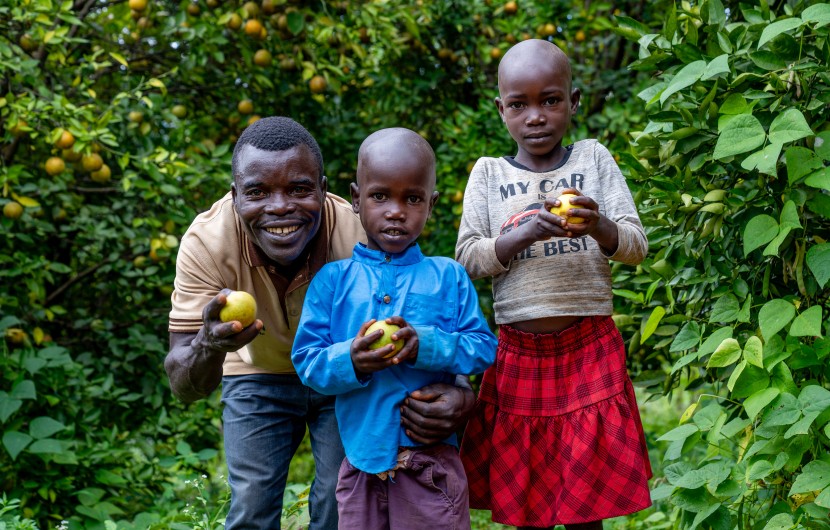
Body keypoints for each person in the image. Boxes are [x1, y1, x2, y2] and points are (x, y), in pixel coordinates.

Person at [164, 116, 476, 530]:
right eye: (257, 192)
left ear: (324, 189)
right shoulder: (207, 242)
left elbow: (427, 320)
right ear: (235, 195)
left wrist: (461, 393)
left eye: (299, 189)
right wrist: (210, 343)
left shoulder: (362, 231)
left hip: (347, 374)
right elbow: (182, 383)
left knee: (337, 500)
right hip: (257, 372)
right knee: (252, 505)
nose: (280, 207)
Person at [455, 39, 653, 530]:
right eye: (519, 105)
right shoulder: (488, 173)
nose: (536, 116)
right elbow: (467, 258)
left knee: (587, 495)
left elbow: (636, 243)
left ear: (574, 101)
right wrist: (518, 236)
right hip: (519, 349)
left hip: (590, 345)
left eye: (551, 100)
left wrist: (599, 226)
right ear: (501, 110)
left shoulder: (593, 158)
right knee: (528, 495)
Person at [290, 127, 498, 530]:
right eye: (380, 196)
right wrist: (352, 359)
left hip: (432, 466)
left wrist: (426, 344)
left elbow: (482, 347)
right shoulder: (333, 281)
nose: (396, 211)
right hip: (361, 463)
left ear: (431, 204)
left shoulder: (448, 276)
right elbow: (308, 362)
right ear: (356, 198)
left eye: (413, 198)